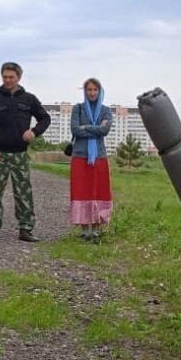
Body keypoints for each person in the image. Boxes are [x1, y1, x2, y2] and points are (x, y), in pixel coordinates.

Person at [0, 62, 51, 242]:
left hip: (20, 155)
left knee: (23, 193)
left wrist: (34, 132)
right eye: (5, 77)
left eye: (11, 77)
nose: (8, 80)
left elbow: (45, 118)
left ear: (19, 77)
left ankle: (25, 229)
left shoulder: (29, 99)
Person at [69, 78, 113, 240]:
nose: (92, 93)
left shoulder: (106, 110)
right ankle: (84, 229)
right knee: (81, 191)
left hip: (99, 157)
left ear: (99, 91)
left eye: (95, 89)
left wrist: (86, 127)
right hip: (80, 156)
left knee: (98, 190)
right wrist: (96, 129)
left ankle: (96, 228)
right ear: (85, 91)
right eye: (89, 90)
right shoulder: (78, 109)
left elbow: (105, 130)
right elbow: (75, 130)